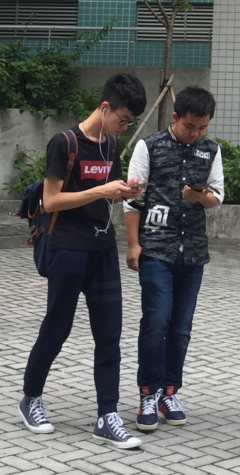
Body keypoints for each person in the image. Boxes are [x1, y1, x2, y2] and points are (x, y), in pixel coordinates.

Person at [18, 73, 148, 449]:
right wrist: (101, 190)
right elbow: (53, 200)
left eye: (129, 123)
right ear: (105, 107)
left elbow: (108, 196)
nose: (124, 127)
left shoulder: (110, 146)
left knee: (109, 335)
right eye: (122, 119)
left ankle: (107, 415)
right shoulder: (64, 143)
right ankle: (31, 398)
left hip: (102, 249)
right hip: (67, 248)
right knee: (56, 327)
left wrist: (123, 191)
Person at [124, 86, 224, 432]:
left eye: (202, 128)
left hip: (193, 251)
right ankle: (147, 392)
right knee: (156, 320)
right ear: (176, 117)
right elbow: (132, 200)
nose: (196, 134)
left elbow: (218, 197)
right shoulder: (148, 146)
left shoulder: (211, 151)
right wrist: (133, 245)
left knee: (180, 328)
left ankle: (170, 391)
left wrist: (201, 197)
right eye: (190, 126)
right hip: (155, 249)